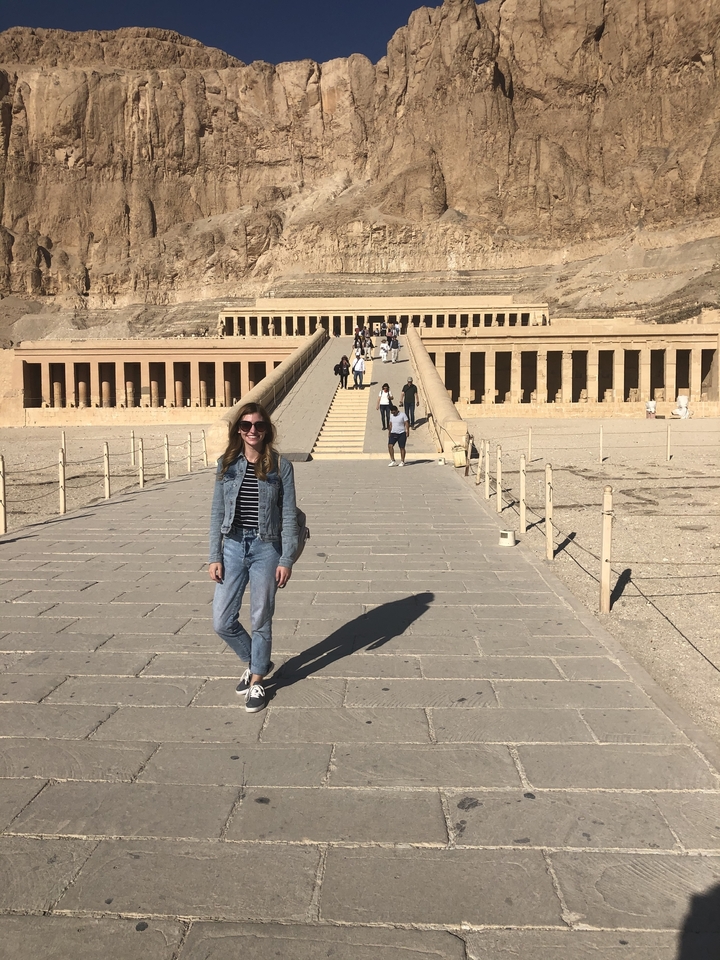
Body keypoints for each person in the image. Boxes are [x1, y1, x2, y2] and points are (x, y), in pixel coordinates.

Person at [208, 402, 299, 713]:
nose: (252, 431)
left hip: (266, 547)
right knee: (221, 621)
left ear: (266, 430)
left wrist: (286, 558)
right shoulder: (226, 464)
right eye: (246, 425)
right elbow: (217, 512)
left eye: (258, 425)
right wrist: (214, 555)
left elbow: (288, 515)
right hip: (232, 545)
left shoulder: (281, 466)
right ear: (238, 430)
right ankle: (257, 659)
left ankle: (257, 679)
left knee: (261, 617)